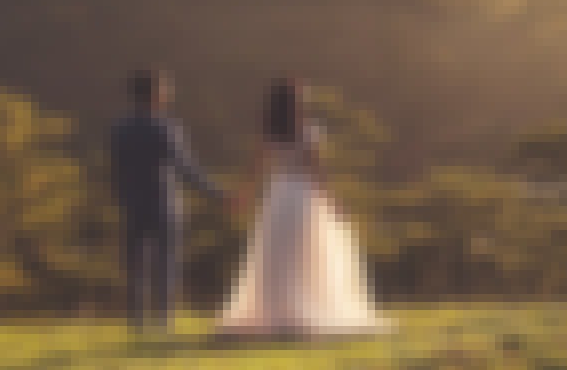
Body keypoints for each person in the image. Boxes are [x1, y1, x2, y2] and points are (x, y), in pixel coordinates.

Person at [216, 77, 393, 338]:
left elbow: (255, 168)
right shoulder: (307, 129)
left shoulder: (269, 132)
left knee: (278, 256)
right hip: (303, 197)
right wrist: (334, 201)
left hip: (277, 197)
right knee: (308, 255)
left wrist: (242, 196)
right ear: (295, 100)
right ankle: (303, 307)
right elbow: (316, 169)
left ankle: (277, 310)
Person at [109, 67, 239, 336]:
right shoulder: (167, 127)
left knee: (135, 266)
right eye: (166, 88)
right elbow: (185, 168)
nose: (169, 92)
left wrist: (121, 199)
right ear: (156, 94)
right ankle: (162, 323)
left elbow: (116, 170)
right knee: (166, 264)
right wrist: (220, 195)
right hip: (164, 203)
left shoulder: (119, 128)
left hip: (132, 204)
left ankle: (137, 323)